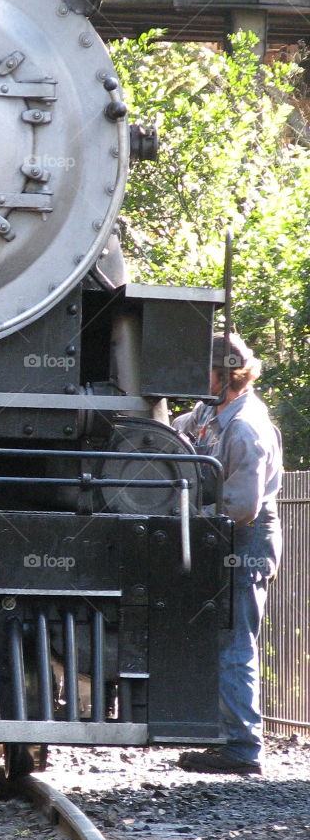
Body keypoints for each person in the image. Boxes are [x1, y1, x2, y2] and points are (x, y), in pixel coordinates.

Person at [172, 332, 282, 776]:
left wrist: (190, 510)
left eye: (206, 371)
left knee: (235, 642)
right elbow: (171, 429)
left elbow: (242, 506)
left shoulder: (244, 427)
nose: (197, 379)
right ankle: (226, 738)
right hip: (223, 538)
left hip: (246, 542)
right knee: (222, 640)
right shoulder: (210, 413)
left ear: (228, 375)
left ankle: (243, 748)